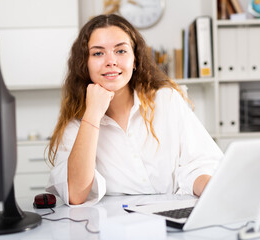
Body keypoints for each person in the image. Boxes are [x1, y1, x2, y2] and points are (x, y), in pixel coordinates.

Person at [46, 14, 223, 206]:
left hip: (171, 219)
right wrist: (92, 115)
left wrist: (208, 186)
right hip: (114, 226)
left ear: (135, 60)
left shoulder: (167, 100)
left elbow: (200, 163)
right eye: (98, 53)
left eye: (120, 51)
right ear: (84, 64)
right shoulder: (76, 125)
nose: (111, 61)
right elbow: (75, 194)